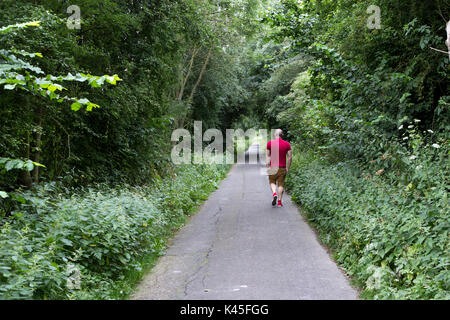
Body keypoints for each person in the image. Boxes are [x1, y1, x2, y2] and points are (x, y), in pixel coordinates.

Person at [266, 129, 292, 208]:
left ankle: (274, 193)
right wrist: (287, 167)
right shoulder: (287, 144)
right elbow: (290, 157)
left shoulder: (270, 143)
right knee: (281, 184)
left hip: (273, 167)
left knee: (272, 182)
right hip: (282, 167)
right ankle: (280, 202)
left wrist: (267, 165)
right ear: (282, 135)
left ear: (275, 134)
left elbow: (268, 155)